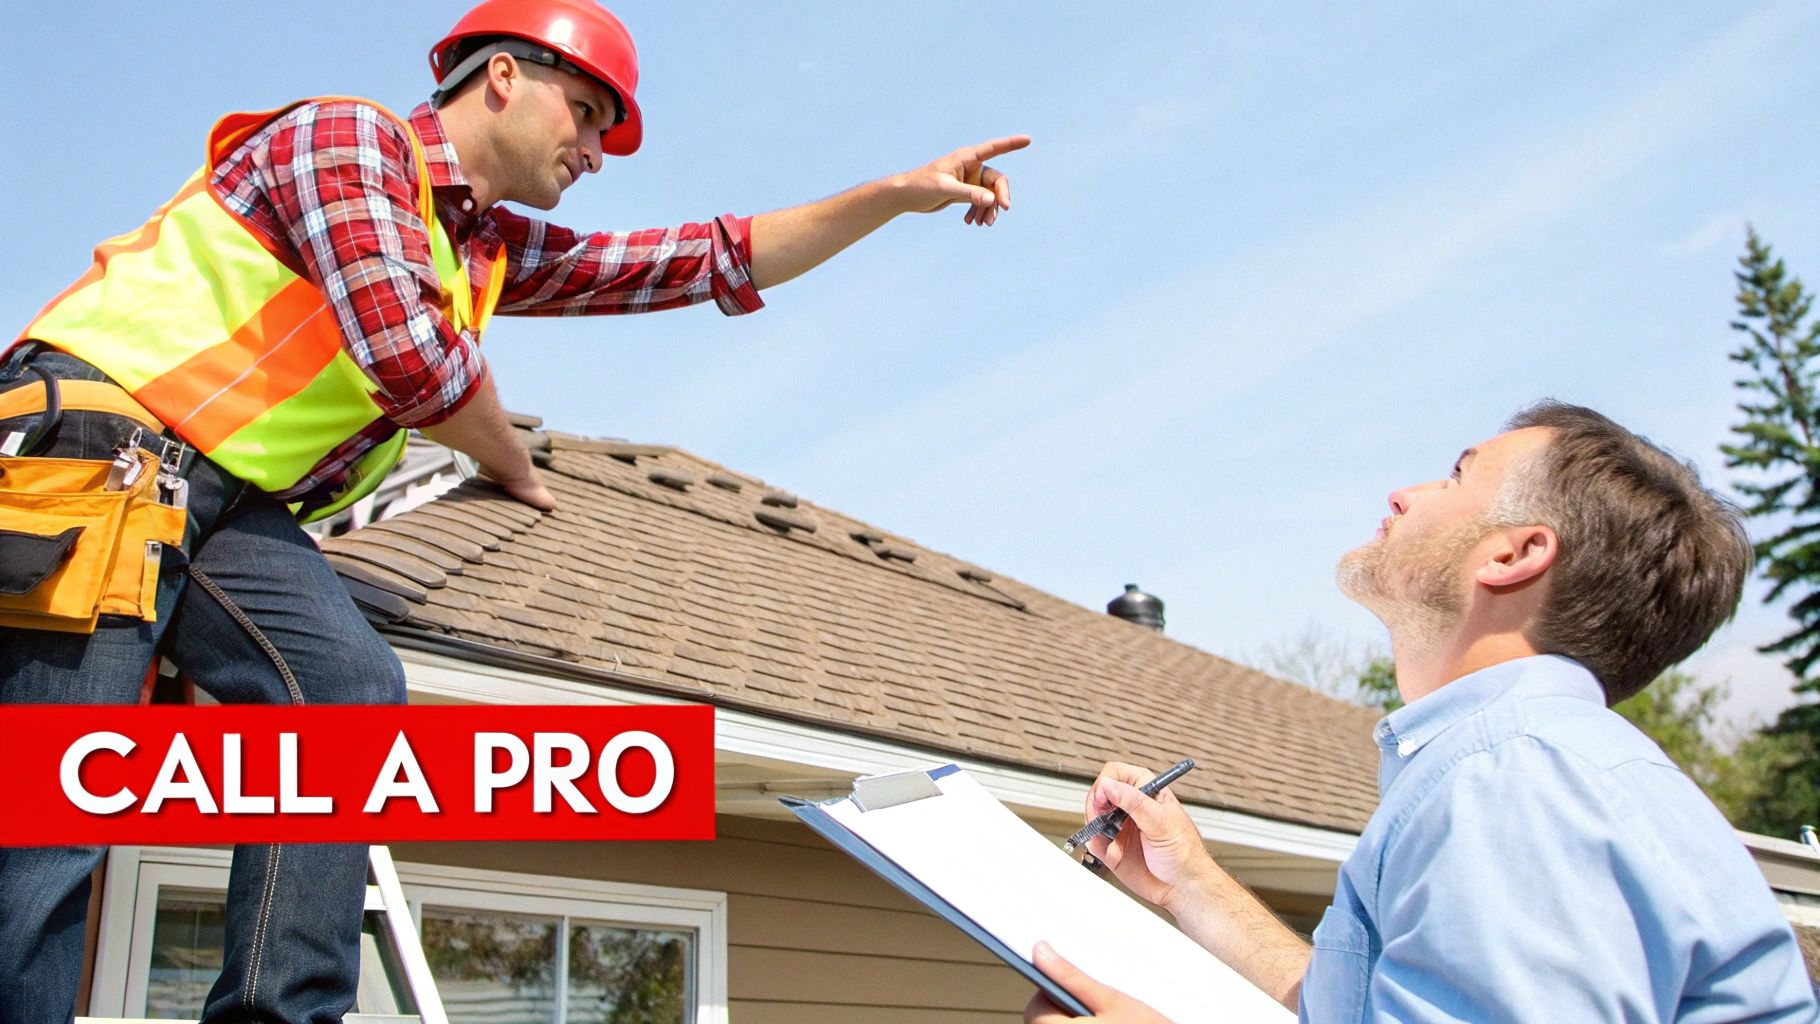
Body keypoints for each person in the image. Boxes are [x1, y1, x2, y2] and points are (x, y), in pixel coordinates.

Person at [0, 2, 1027, 1021]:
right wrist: (512, 459)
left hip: (216, 501)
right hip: (101, 451)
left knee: (347, 690)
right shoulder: (349, 140)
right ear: (500, 76)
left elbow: (695, 259)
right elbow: (408, 358)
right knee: (51, 812)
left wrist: (892, 196)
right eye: (584, 112)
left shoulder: (478, 251)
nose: (594, 148)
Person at [1025, 402, 1818, 1022]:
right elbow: (1346, 1006)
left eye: (1455, 475)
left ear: (1513, 555)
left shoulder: (1514, 779)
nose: (1404, 493)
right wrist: (1189, 884)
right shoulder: (1531, 768)